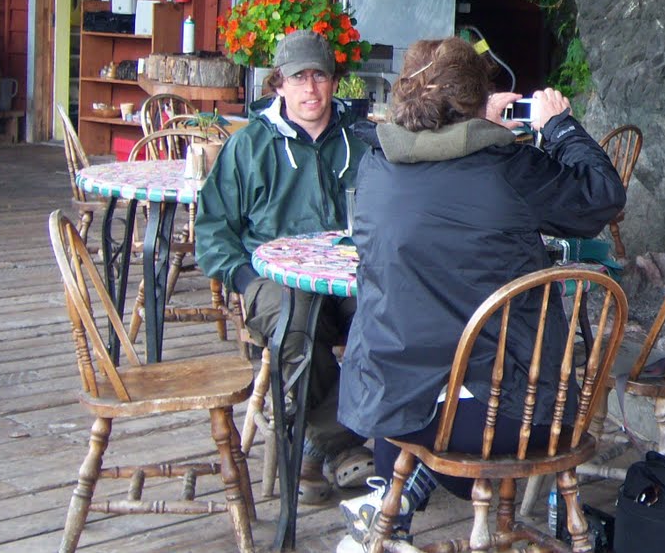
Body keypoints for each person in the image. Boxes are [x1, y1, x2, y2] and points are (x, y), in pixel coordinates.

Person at [335, 36, 626, 548]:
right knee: (500, 362)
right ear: (474, 100)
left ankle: (395, 502)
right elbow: (602, 198)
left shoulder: (376, 164)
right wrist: (558, 126)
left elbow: (442, 154)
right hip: (503, 418)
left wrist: (475, 125)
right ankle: (412, 494)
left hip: (392, 408)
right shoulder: (508, 171)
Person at [195, 29, 373, 501]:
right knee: (297, 324)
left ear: (335, 82)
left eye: (320, 76)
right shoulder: (249, 146)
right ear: (279, 85)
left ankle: (317, 444)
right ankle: (338, 445)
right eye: (298, 78)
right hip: (272, 280)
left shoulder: (362, 140)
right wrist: (246, 279)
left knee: (392, 319)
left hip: (350, 276)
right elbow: (211, 231)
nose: (310, 89)